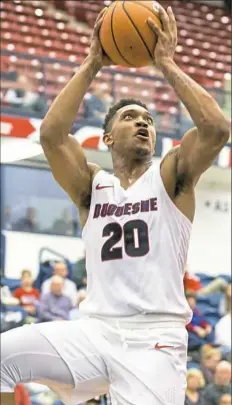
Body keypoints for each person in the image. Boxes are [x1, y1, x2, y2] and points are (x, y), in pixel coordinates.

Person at [1, 4, 230, 405]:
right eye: (129, 116)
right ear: (107, 138)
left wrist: (167, 65)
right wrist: (93, 62)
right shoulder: (92, 185)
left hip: (154, 339)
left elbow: (216, 128)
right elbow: (52, 135)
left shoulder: (171, 176)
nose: (143, 122)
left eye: (148, 119)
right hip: (95, 331)